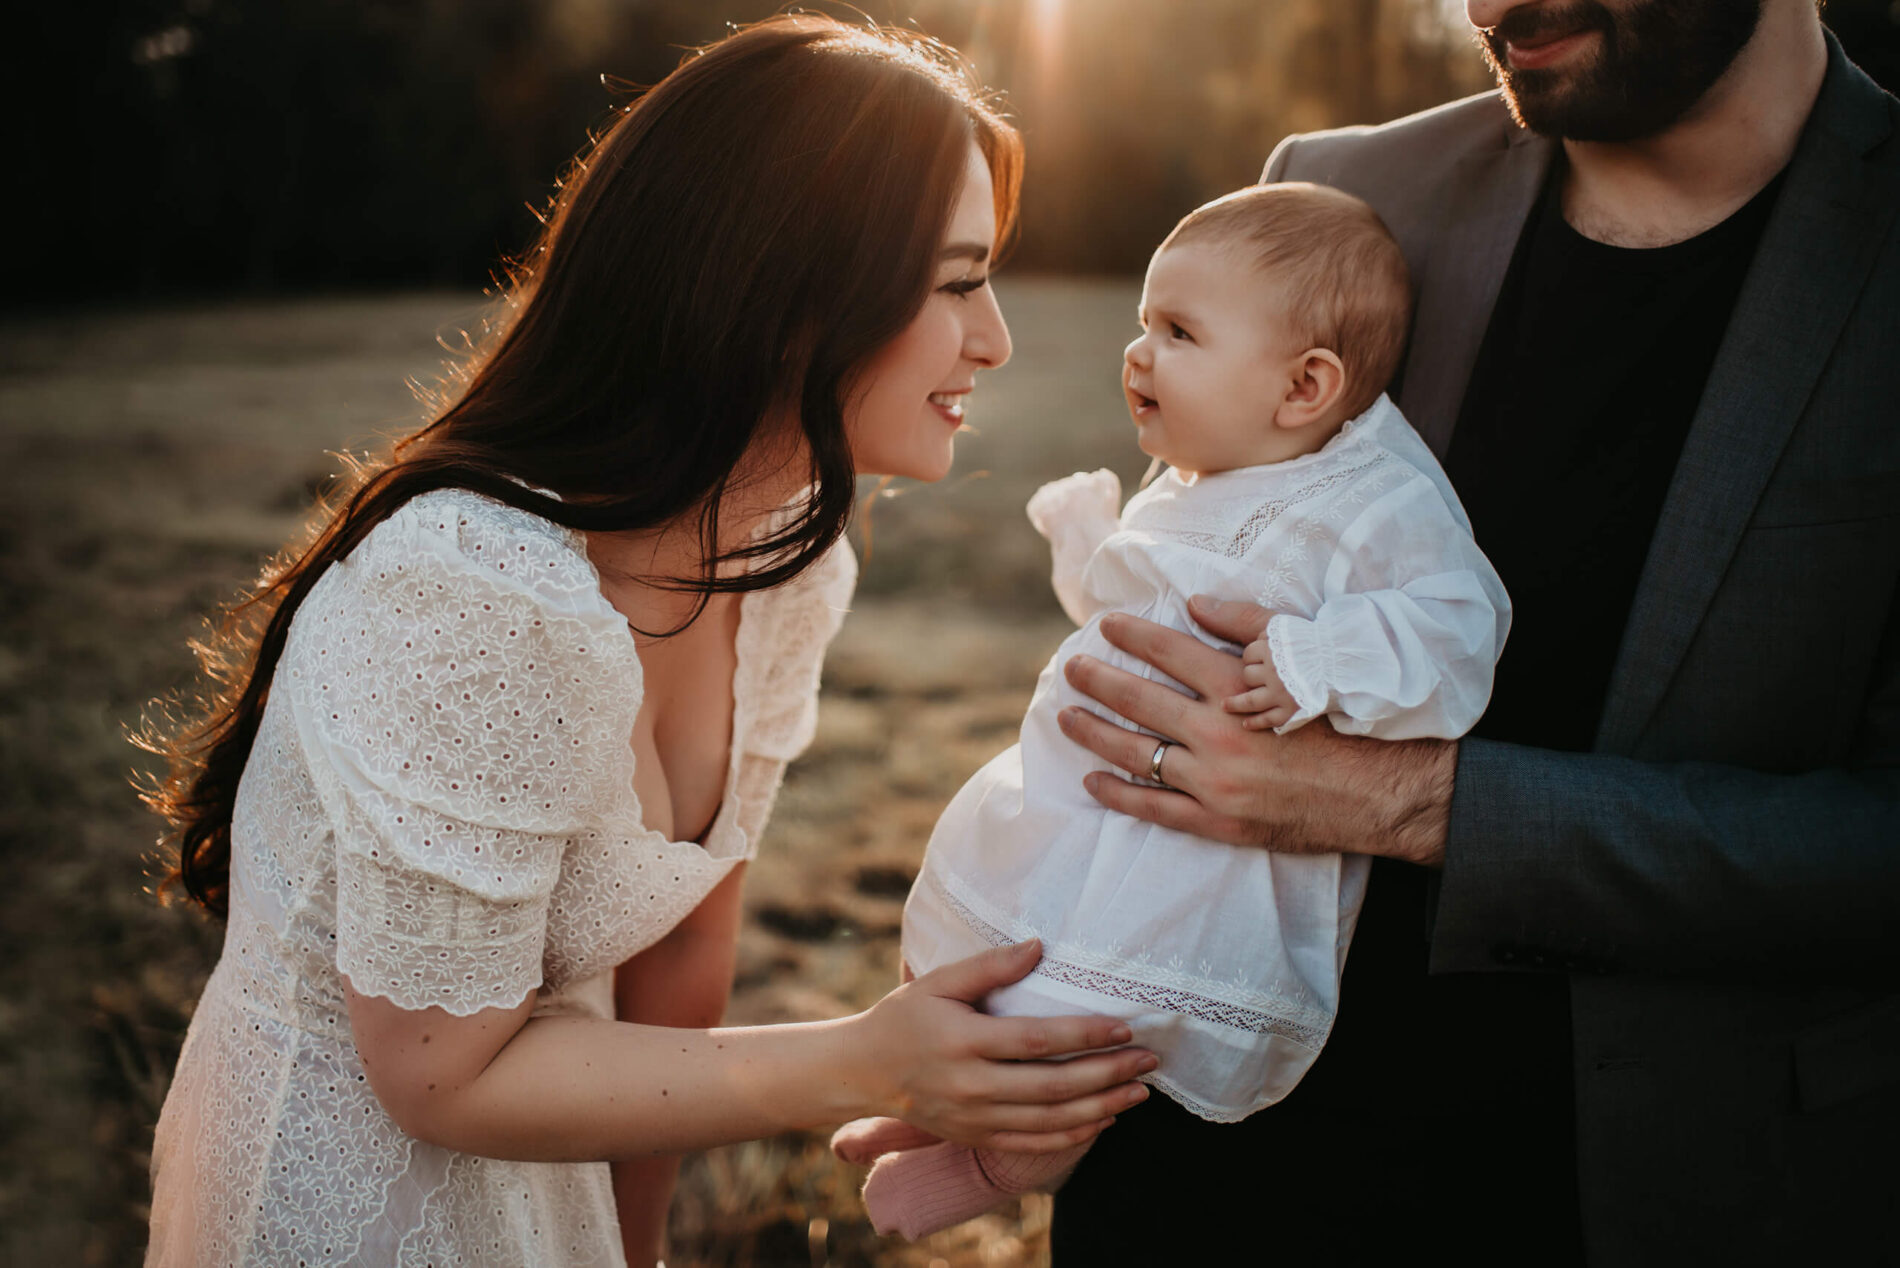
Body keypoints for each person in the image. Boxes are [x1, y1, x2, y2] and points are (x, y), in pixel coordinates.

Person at [136, 17, 1157, 1268]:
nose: (994, 337)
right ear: (786, 291)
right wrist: (860, 1059)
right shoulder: (477, 589)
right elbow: (435, 1078)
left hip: (559, 1175)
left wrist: (635, 1247)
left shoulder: (787, 555)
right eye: (955, 282)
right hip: (344, 1194)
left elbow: (684, 947)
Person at [1052, 0, 1900, 1262]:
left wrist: (1406, 801)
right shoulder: (1340, 192)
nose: (1486, 8)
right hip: (1205, 1165)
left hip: (1645, 1186)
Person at [831, 183, 1510, 1240]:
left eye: (1178, 331)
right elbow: (1138, 624)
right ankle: (941, 1107)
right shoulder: (1213, 469)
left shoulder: (1373, 502)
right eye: (1144, 322)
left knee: (1088, 1028)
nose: (1137, 354)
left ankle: (1005, 1161)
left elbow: (1460, 629)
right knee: (979, 955)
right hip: (1089, 807)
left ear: (1305, 386)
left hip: (1202, 862)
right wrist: (1092, 540)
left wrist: (1314, 658)